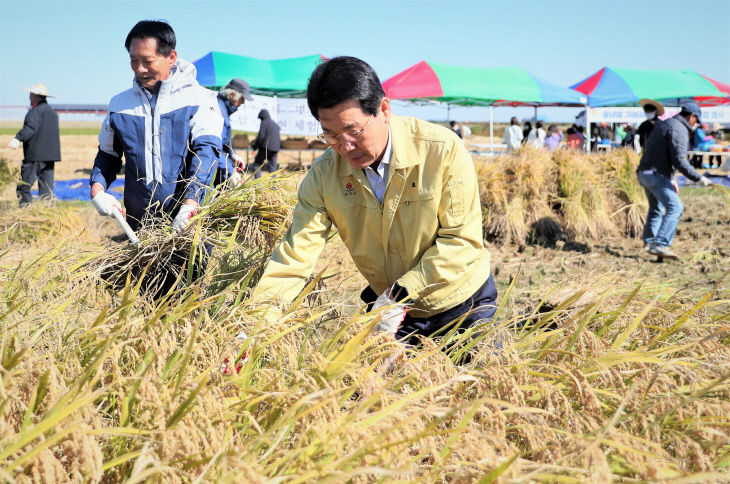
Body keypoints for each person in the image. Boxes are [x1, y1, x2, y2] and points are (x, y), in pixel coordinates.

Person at [252, 56, 497, 346]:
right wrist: (255, 324)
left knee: (479, 385)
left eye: (354, 131)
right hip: (392, 310)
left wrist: (399, 295)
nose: (345, 146)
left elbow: (462, 242)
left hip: (460, 300)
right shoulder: (323, 177)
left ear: (383, 109)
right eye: (330, 136)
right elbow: (294, 258)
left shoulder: (441, 151)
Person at [89, 20, 222, 234]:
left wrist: (190, 206)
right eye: (134, 61)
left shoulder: (199, 99)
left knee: (190, 269)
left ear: (171, 57)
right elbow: (108, 156)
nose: (140, 69)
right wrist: (98, 190)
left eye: (148, 61)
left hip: (189, 223)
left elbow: (206, 154)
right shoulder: (120, 105)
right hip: (139, 225)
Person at [636, 101, 711, 259]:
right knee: (675, 207)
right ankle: (660, 244)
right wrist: (699, 178)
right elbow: (680, 160)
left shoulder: (667, 124)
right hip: (656, 175)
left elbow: (664, 155)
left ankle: (649, 242)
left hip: (644, 173)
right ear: (691, 117)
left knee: (656, 208)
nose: (696, 124)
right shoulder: (679, 129)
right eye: (696, 121)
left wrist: (671, 178)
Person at [8, 83, 61, 207]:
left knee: (24, 186)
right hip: (50, 156)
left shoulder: (36, 111)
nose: (29, 97)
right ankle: (47, 212)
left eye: (31, 94)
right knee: (46, 188)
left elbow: (30, 128)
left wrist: (17, 138)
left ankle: (25, 211)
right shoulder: (51, 112)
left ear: (37, 96)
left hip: (35, 156)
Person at [215, 78, 253, 186]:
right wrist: (231, 172)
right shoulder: (219, 112)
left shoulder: (224, 110)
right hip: (215, 174)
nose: (243, 102)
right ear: (232, 95)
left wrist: (233, 155)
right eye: (242, 98)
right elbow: (215, 149)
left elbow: (225, 142)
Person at [249, 109, 281, 178]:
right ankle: (272, 186)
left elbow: (261, 136)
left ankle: (258, 183)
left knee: (257, 164)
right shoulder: (275, 125)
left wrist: (255, 147)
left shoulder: (264, 122)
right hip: (275, 148)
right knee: (273, 167)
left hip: (265, 148)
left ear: (262, 117)